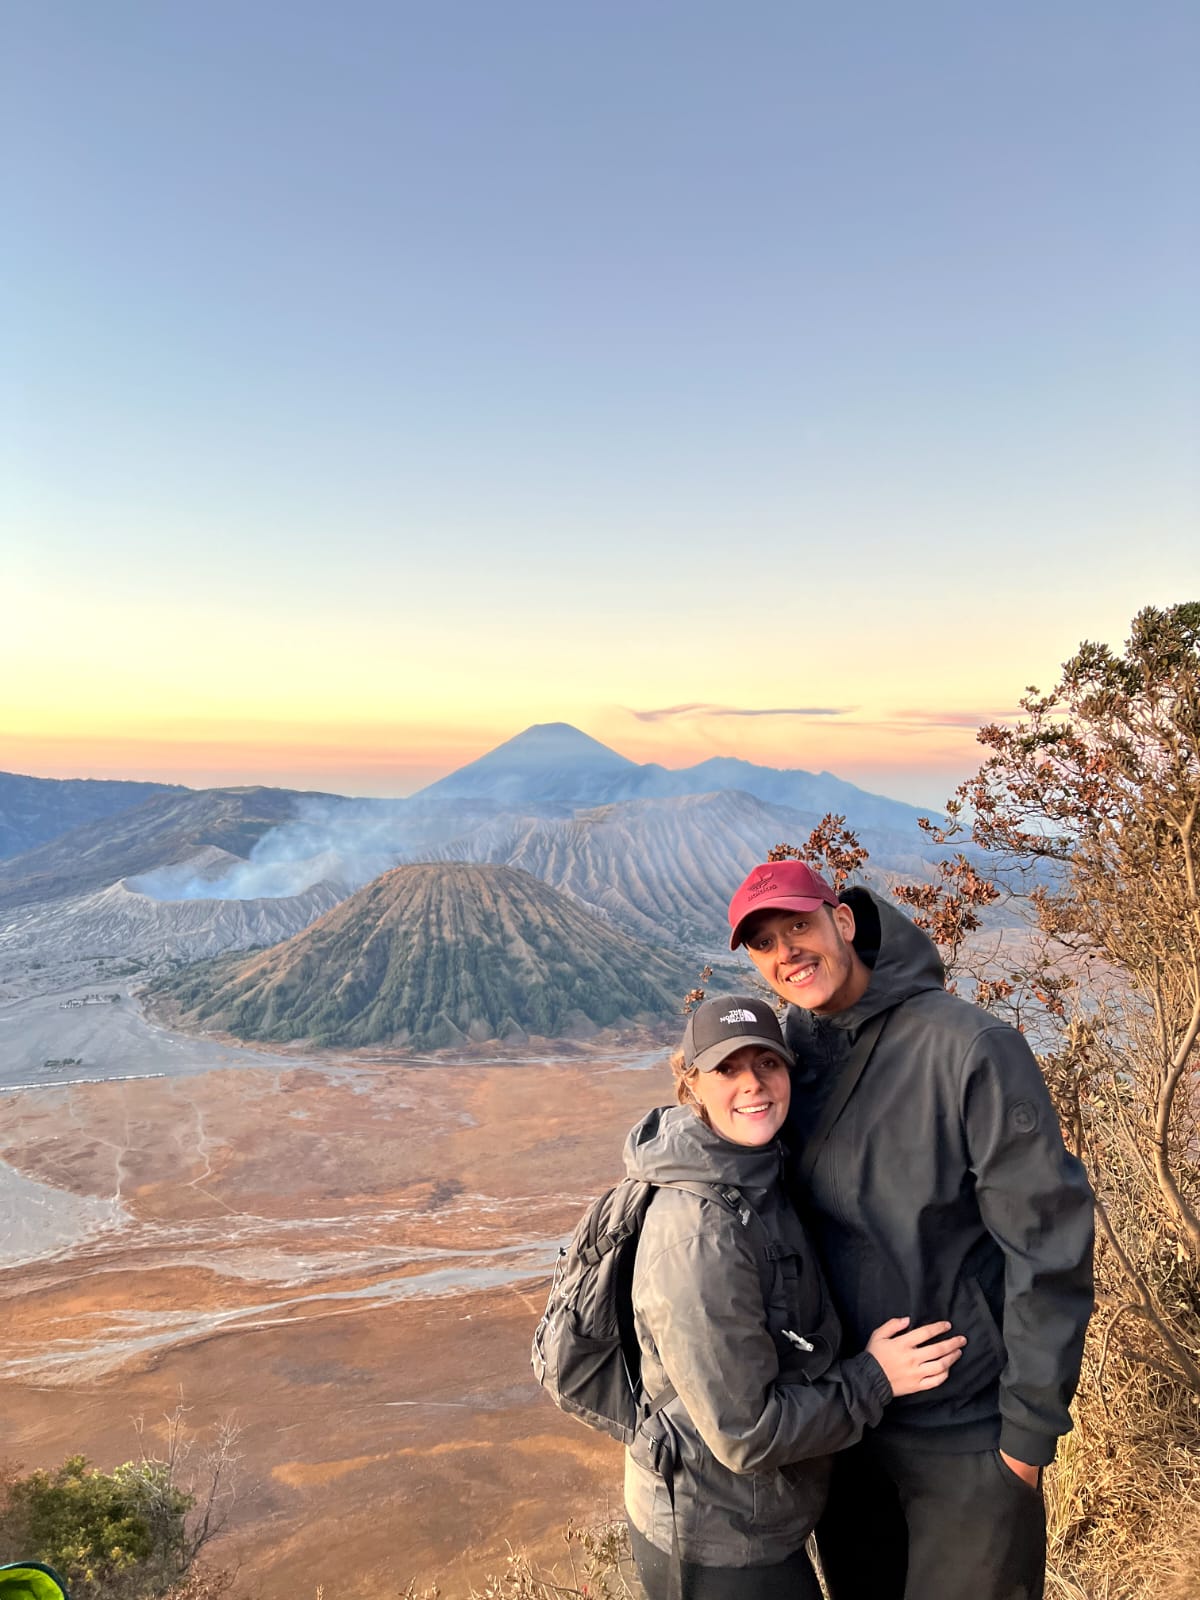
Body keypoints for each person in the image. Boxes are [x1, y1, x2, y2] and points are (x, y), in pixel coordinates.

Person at [726, 860, 1096, 1600]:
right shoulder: (787, 1060)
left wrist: (1024, 1442)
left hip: (965, 1434)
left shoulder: (967, 1048)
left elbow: (1048, 1245)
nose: (786, 952)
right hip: (848, 1423)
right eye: (764, 943)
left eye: (798, 925)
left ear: (846, 920)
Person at [623, 994, 966, 1600]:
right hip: (715, 1537)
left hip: (766, 1511)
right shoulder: (699, 1237)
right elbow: (746, 1433)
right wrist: (875, 1377)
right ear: (691, 1085)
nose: (752, 1084)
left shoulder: (759, 1167)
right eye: (727, 1069)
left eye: (767, 1063)